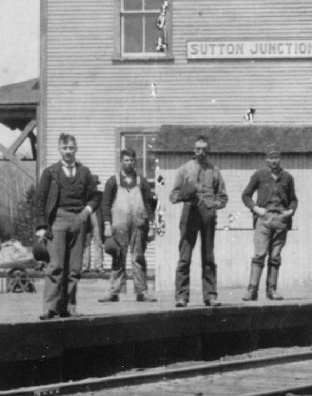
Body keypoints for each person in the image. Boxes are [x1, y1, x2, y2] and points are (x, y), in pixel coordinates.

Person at [34, 133, 101, 320]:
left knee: (74, 268)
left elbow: (96, 196)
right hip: (57, 219)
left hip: (78, 219)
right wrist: (41, 226)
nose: (68, 152)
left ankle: (68, 307)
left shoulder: (84, 172)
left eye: (71, 148)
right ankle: (50, 307)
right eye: (65, 148)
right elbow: (40, 200)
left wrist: (86, 212)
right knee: (55, 265)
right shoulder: (50, 173)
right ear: (59, 149)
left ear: (76, 149)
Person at [169, 135, 228, 307]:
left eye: (204, 149)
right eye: (198, 149)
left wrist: (213, 205)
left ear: (208, 150)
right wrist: (183, 195)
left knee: (208, 256)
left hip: (208, 215)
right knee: (185, 257)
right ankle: (181, 297)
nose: (201, 152)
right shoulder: (184, 170)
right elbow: (172, 196)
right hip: (190, 213)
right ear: (193, 150)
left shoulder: (214, 170)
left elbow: (223, 197)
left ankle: (210, 295)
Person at [97, 148, 158, 303]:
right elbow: (105, 204)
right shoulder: (113, 181)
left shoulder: (141, 181)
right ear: (121, 162)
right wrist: (107, 224)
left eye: (132, 160)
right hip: (119, 225)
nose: (129, 163)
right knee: (118, 257)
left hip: (139, 224)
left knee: (138, 257)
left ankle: (142, 292)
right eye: (126, 160)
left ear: (134, 162)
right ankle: (113, 292)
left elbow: (149, 204)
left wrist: (151, 225)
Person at [240, 145, 297, 301]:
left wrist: (291, 211)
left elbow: (293, 199)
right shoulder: (259, 175)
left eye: (277, 157)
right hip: (263, 220)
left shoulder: (287, 177)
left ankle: (272, 290)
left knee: (275, 256)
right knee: (259, 255)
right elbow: (246, 196)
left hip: (280, 220)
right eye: (271, 158)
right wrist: (255, 208)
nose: (274, 161)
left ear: (280, 159)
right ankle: (252, 290)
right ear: (266, 160)